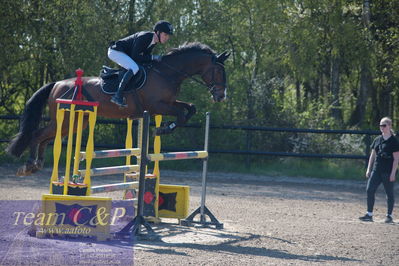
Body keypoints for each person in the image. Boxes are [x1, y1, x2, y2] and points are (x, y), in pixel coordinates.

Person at [107, 20, 173, 107]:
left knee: (141, 67)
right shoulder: (145, 37)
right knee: (134, 67)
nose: (167, 38)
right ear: (158, 32)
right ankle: (118, 95)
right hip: (115, 51)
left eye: (168, 36)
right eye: (165, 34)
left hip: (124, 53)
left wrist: (154, 60)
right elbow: (135, 57)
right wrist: (153, 57)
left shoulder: (153, 41)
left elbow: (145, 56)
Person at [359, 117, 399, 223]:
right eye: (381, 125)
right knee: (369, 189)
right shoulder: (377, 139)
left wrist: (393, 173)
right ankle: (369, 214)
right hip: (376, 170)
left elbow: (396, 159)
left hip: (388, 171)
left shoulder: (394, 141)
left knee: (389, 193)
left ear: (390, 126)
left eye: (384, 125)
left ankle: (389, 216)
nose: (382, 127)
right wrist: (369, 169)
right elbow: (372, 156)